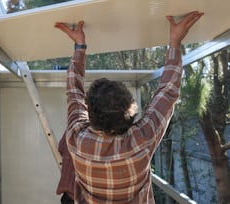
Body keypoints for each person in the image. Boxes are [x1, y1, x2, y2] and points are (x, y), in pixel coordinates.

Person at [55, 11, 204, 203]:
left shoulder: (77, 138)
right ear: (130, 113)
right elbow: (167, 92)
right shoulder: (141, 140)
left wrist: (79, 47)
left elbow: (73, 92)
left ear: (89, 113)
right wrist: (175, 41)